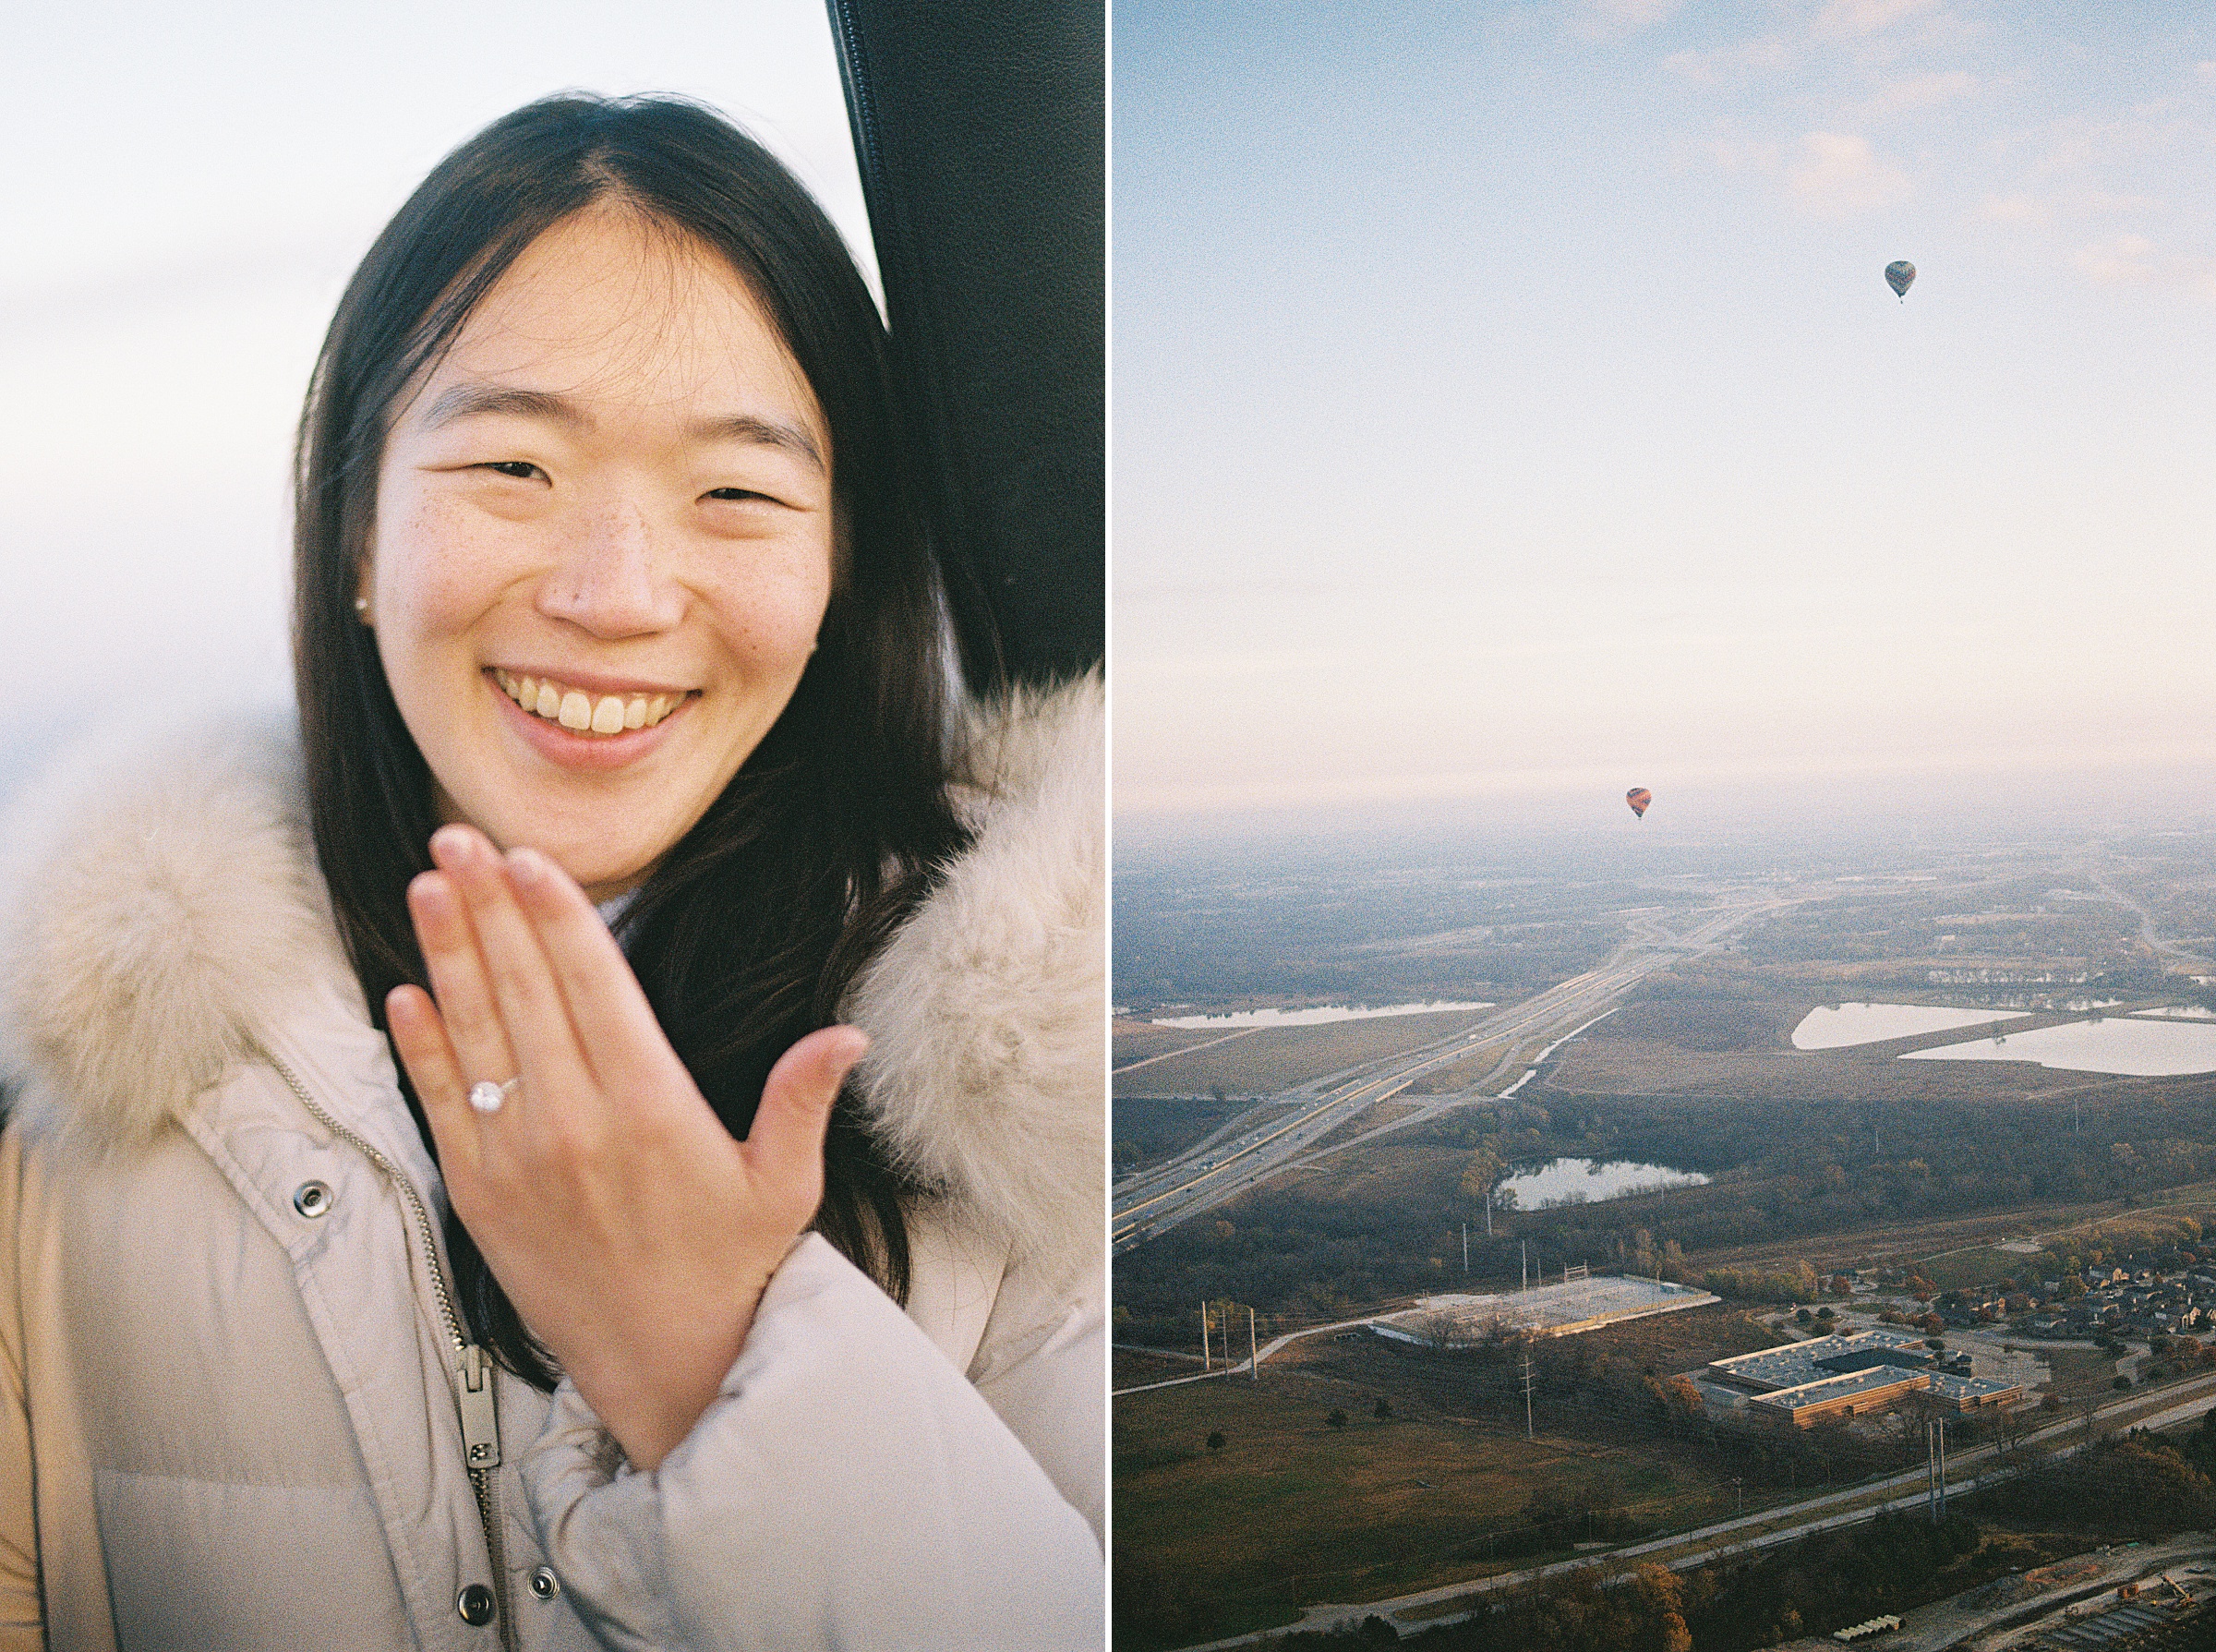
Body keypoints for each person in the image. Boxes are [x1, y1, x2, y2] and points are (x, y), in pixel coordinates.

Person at [0, 94, 1103, 1649]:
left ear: (839, 564)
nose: (615, 593)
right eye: (513, 467)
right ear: (358, 540)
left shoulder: (1044, 1121)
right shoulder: (84, 1130)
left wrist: (710, 1366)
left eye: (737, 492)